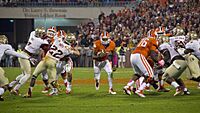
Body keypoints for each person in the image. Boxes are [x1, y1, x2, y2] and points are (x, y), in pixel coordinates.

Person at [23, 30, 80, 97]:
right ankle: (55, 88)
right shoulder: (68, 48)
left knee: (34, 76)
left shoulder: (58, 40)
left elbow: (56, 35)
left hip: (45, 59)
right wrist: (75, 47)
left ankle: (29, 93)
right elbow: (78, 53)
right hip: (53, 62)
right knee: (52, 79)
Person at [9, 27, 49, 95]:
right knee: (27, 75)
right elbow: (46, 44)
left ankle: (10, 85)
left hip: (23, 54)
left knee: (23, 74)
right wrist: (47, 37)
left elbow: (37, 34)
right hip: (25, 56)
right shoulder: (41, 41)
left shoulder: (32, 33)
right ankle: (16, 89)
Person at [0, 35, 36, 101]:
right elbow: (15, 54)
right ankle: (11, 89)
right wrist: (28, 58)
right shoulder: (6, 46)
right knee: (5, 86)